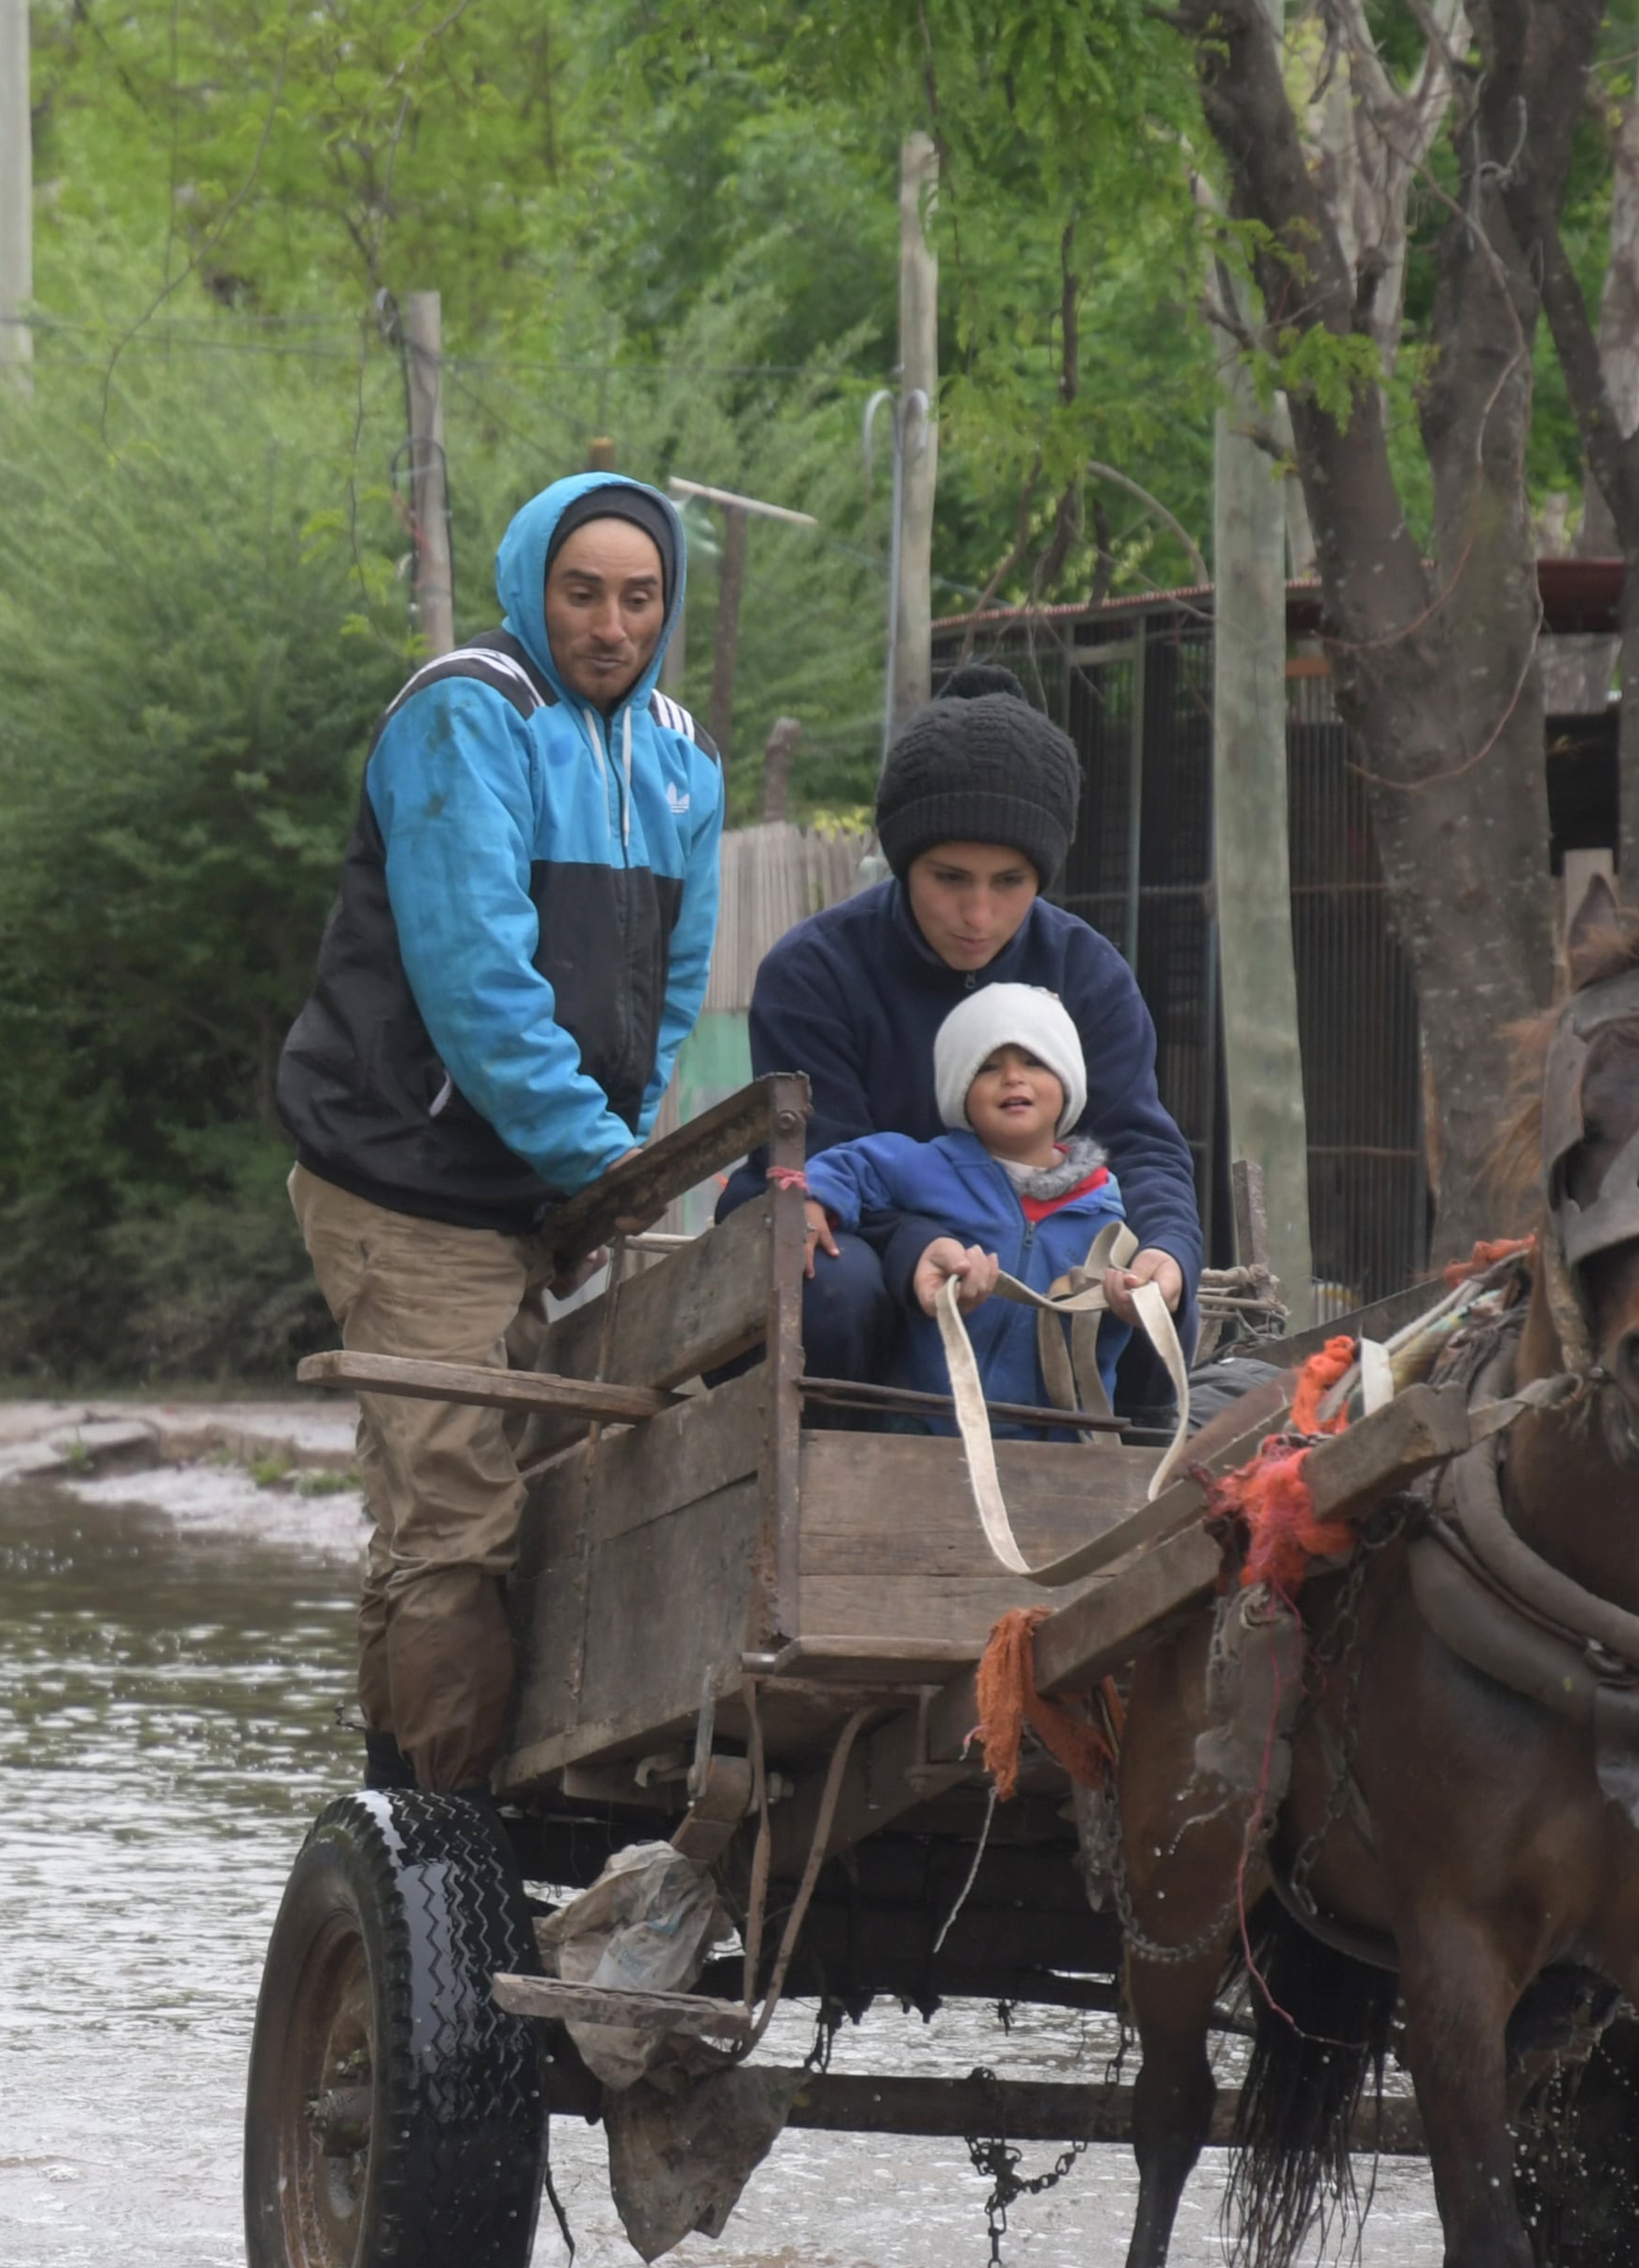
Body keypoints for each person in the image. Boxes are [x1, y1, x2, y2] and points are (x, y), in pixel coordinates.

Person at [274, 470, 725, 1791]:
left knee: (471, 1508)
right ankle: (448, 1849)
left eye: (639, 598)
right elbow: (477, 985)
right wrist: (600, 1164)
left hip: (536, 1183)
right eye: (581, 594)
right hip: (405, 1176)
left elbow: (667, 995)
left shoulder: (680, 757)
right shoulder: (466, 713)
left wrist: (610, 1163)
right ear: (533, 587)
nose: (611, 626)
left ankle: (393, 1816)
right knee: (459, 1521)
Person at [734, 669, 1200, 1404]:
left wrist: (1169, 1250)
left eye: (1009, 881)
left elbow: (1139, 1147)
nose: (978, 914)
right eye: (949, 877)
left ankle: (1128, 1466)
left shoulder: (1090, 976)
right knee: (830, 1281)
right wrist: (923, 1247)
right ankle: (834, 1465)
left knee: (1155, 1299)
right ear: (902, 861)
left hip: (1039, 1252)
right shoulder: (813, 973)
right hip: (866, 1252)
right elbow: (826, 1167)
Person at [789, 980, 1131, 1421]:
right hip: (924, 1428)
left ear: (1067, 1081)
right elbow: (853, 1165)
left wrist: (1123, 1305)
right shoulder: (930, 1164)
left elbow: (1098, 1346)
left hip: (1053, 1436)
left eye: (1034, 1061)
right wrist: (816, 1199)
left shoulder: (1102, 1207)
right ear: (960, 1091)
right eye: (988, 1067)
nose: (1013, 1077)